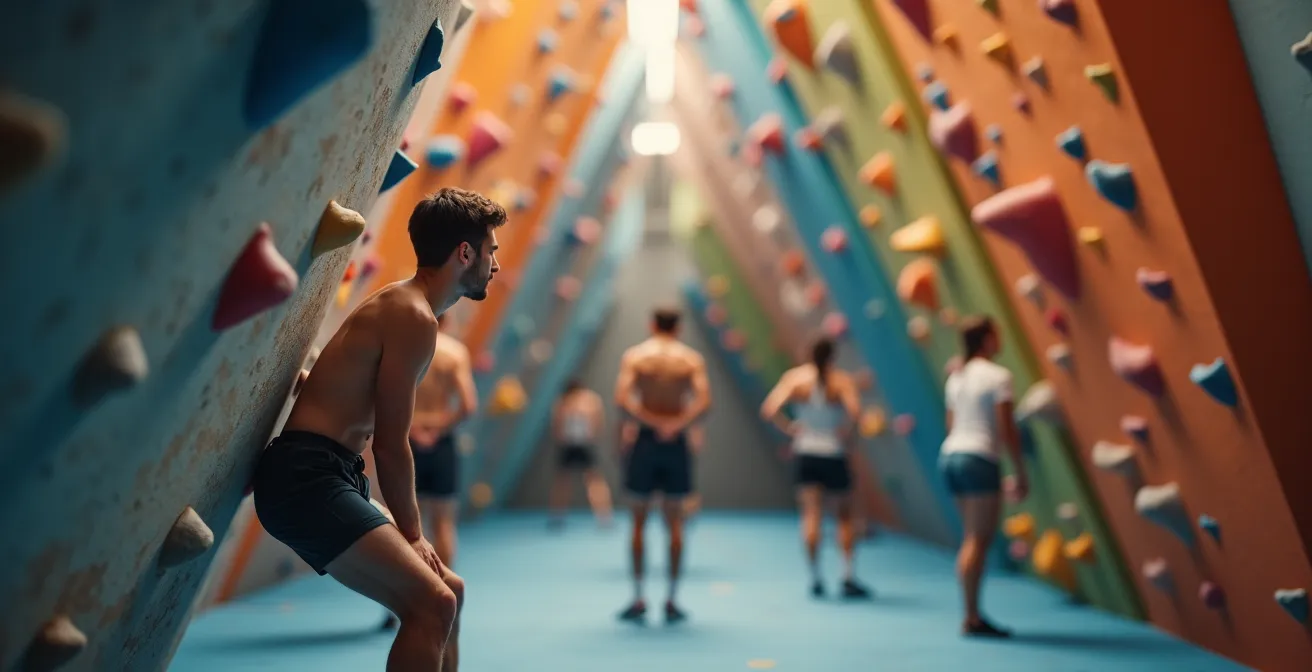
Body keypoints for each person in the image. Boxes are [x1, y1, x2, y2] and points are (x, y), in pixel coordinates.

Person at [251, 187, 504, 671]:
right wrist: (413, 533)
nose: (495, 263)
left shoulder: (404, 305)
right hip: (306, 479)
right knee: (435, 604)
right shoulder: (413, 316)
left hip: (328, 473)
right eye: (491, 250)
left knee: (451, 590)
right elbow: (391, 446)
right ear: (464, 253)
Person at [613, 306, 711, 624]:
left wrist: (652, 422)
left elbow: (623, 399)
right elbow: (704, 401)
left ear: (652, 324)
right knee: (675, 523)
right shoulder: (690, 359)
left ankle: (639, 595)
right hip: (675, 442)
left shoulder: (637, 356)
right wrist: (676, 424)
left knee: (638, 521)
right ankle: (671, 598)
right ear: (678, 328)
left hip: (645, 440)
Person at [760, 336, 871, 599]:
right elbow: (856, 413)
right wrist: (845, 433)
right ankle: (847, 575)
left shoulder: (795, 379)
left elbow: (769, 409)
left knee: (811, 515)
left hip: (806, 451)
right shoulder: (841, 381)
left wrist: (790, 429)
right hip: (833, 451)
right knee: (844, 516)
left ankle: (815, 575)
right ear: (833, 356)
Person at [939, 315, 1028, 638]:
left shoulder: (956, 377)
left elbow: (951, 424)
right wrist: (1019, 471)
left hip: (951, 456)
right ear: (987, 340)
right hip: (979, 458)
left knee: (971, 537)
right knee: (978, 540)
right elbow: (1007, 428)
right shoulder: (998, 376)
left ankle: (971, 612)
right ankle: (971, 615)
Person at [410, 314, 478, 565]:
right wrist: (437, 431)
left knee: (408, 525)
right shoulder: (455, 352)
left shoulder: (406, 349)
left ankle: (409, 592)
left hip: (407, 438)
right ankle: (444, 592)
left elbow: (385, 399)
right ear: (447, 321)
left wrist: (414, 431)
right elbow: (468, 405)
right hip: (442, 441)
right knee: (444, 522)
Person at [548, 379, 613, 529]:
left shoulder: (581, 400)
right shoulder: (571, 401)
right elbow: (557, 423)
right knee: (565, 481)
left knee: (591, 480)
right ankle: (558, 515)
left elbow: (597, 421)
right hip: (574, 444)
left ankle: (604, 516)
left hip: (579, 444)